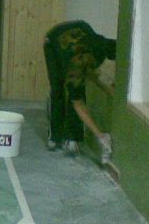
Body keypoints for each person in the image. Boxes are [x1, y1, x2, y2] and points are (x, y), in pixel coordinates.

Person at [43, 20, 116, 162]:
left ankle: (72, 137)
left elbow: (123, 52)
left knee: (77, 92)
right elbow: (78, 104)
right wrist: (101, 136)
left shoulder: (102, 45)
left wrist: (117, 84)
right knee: (58, 89)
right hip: (52, 40)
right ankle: (55, 136)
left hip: (80, 28)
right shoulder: (72, 69)